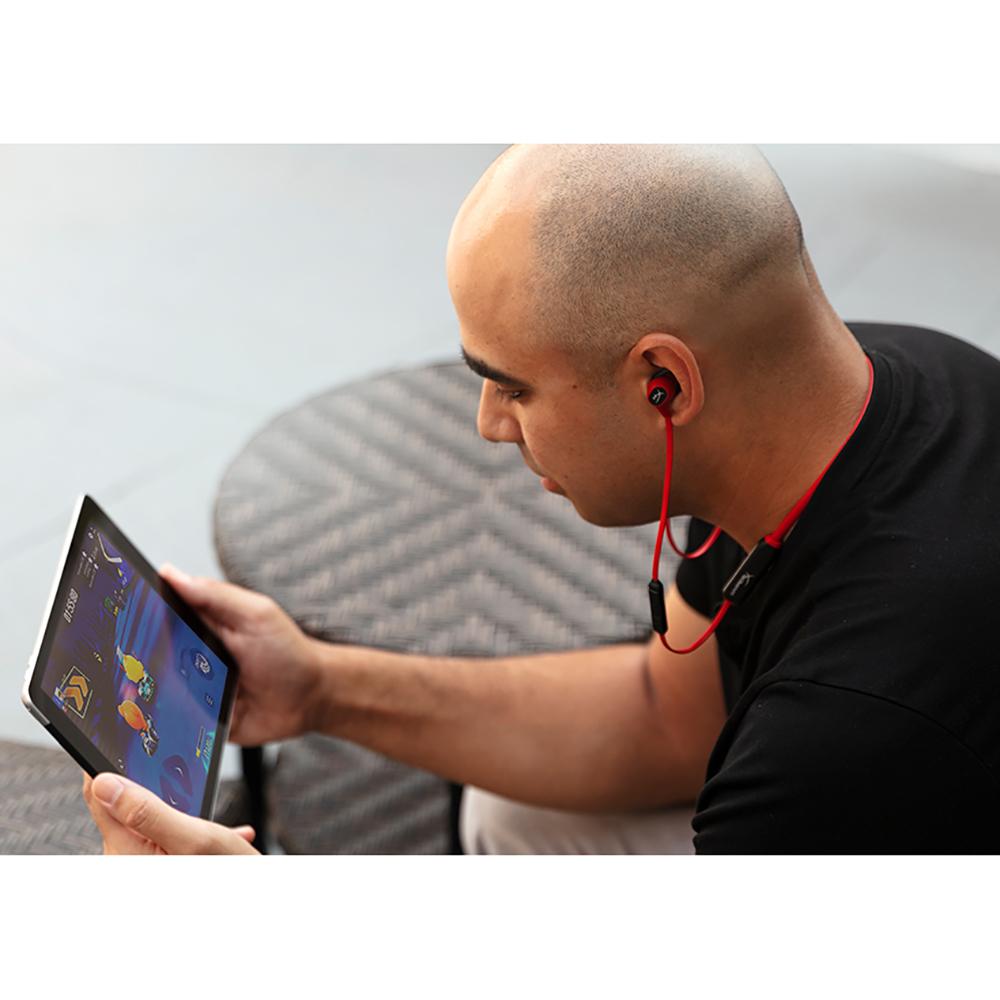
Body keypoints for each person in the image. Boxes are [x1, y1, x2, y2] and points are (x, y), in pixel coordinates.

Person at [83, 144, 1000, 854]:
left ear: (664, 385)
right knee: (516, 814)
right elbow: (669, 717)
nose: (488, 423)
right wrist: (321, 687)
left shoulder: (841, 740)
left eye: (512, 385)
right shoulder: (868, 385)